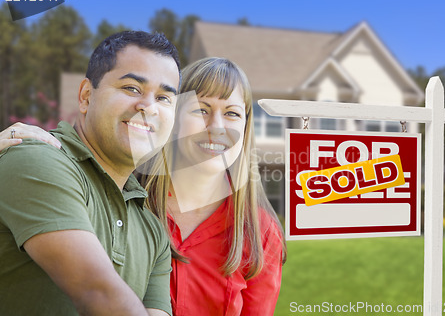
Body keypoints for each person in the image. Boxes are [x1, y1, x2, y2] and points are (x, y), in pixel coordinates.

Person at [1, 57, 286, 315]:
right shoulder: (122, 195)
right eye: (201, 109)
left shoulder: (259, 230)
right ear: (170, 117)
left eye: (233, 114)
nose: (216, 126)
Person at [0, 31, 181, 316]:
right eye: (132, 88)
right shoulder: (36, 157)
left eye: (163, 97)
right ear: (85, 95)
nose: (148, 107)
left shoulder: (152, 230)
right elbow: (97, 292)